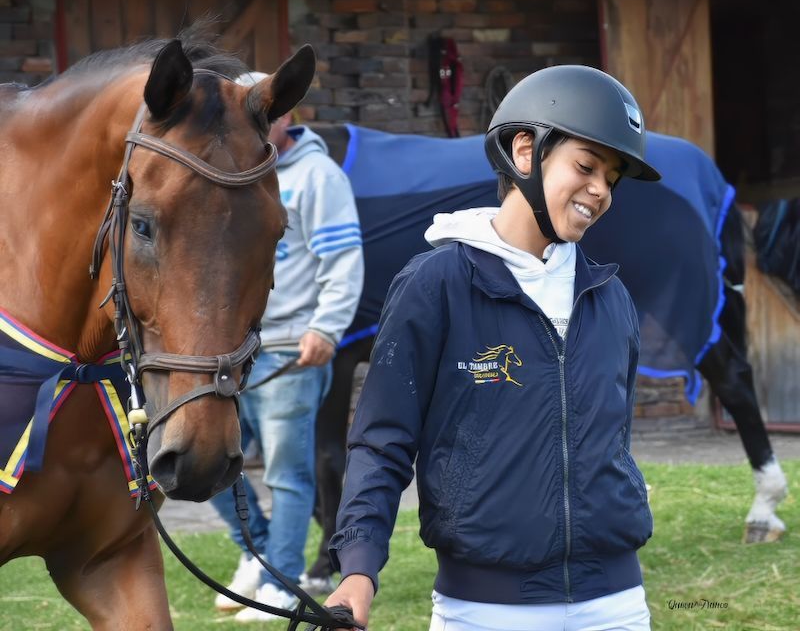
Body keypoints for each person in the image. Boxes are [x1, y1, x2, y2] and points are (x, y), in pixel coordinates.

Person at [325, 65, 660, 631]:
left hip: (618, 605)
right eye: (585, 166)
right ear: (525, 151)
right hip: (483, 611)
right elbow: (382, 442)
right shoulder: (435, 285)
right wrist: (358, 566)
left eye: (612, 175)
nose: (601, 189)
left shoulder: (611, 297)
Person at [209, 70, 364, 623]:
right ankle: (260, 557)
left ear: (285, 116)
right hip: (234, 353)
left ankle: (282, 582)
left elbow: (343, 262)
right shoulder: (234, 172)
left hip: (290, 352)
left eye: (257, 116)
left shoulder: (319, 177)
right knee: (208, 467)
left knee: (285, 474)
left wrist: (326, 328)